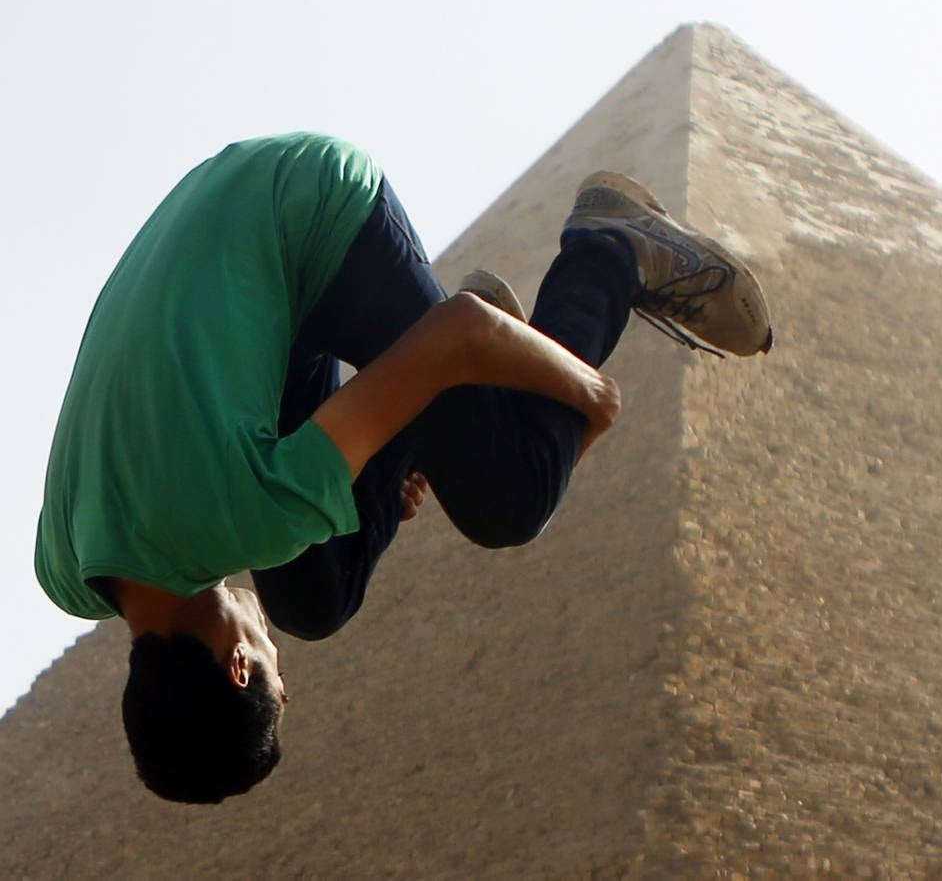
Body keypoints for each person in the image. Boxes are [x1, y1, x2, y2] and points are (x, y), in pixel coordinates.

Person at [34, 132, 772, 804]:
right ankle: (412, 422)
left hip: (306, 212)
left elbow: (463, 330)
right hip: (211, 226)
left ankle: (608, 252)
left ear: (238, 668)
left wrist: (590, 395)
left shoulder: (248, 513)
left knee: (510, 502)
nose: (284, 669)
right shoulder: (65, 573)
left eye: (279, 685)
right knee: (312, 600)